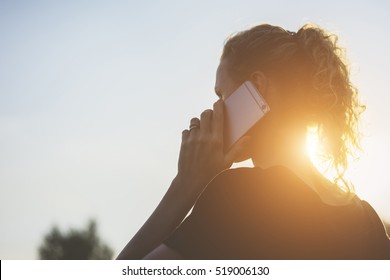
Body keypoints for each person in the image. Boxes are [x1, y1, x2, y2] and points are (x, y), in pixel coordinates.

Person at [117, 23, 390, 259]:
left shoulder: (243, 195)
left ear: (257, 88)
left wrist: (186, 185)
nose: (215, 108)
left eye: (222, 95)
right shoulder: (365, 219)